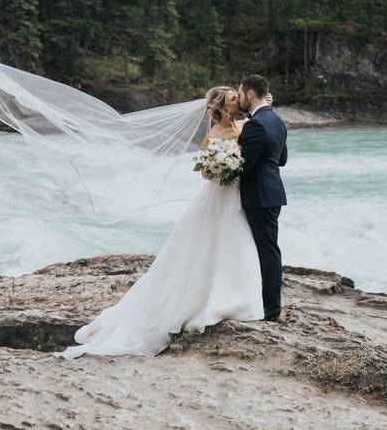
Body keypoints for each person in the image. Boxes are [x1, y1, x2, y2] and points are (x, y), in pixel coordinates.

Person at [55, 86, 274, 359]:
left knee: (237, 243)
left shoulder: (246, 126)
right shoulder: (213, 136)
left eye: (237, 96)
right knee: (219, 242)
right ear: (221, 108)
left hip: (239, 197)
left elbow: (260, 136)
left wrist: (264, 105)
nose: (237, 101)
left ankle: (238, 297)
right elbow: (206, 173)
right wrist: (221, 168)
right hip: (220, 195)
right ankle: (216, 301)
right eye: (232, 99)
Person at [236, 74, 288, 322]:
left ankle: (271, 308)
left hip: (260, 195)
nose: (238, 99)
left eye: (240, 94)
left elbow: (243, 165)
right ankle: (261, 301)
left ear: (249, 94)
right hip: (271, 193)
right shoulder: (276, 120)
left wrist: (222, 164)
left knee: (267, 252)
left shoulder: (256, 124)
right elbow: (282, 159)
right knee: (263, 249)